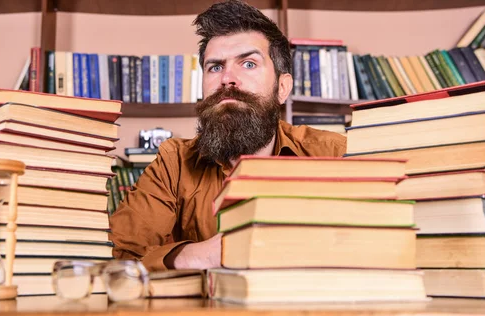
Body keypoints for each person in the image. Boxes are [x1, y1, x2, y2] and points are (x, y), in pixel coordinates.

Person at [109, 0, 346, 271]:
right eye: (215, 67)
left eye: (248, 63)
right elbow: (120, 258)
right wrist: (198, 255)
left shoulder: (335, 154)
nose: (227, 79)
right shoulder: (173, 163)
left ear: (282, 87)